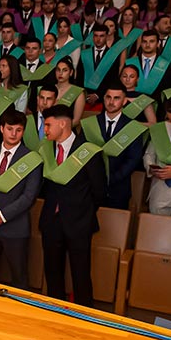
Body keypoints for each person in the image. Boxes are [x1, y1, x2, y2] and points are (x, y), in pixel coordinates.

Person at [38, 103, 106, 304]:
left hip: (79, 223)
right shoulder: (47, 150)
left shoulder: (88, 152)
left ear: (62, 124)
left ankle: (84, 316)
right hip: (51, 221)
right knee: (52, 272)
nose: (45, 130)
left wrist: (79, 212)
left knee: (81, 274)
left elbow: (100, 192)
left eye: (48, 125)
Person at [0, 107, 41, 287]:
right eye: (10, 129)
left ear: (23, 132)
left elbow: (29, 196)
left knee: (19, 276)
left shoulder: (31, 159)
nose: (14, 133)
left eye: (18, 130)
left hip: (15, 227)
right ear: (2, 128)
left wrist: (2, 216)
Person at [80, 83, 148, 210]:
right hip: (90, 187)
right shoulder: (90, 123)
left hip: (118, 189)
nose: (111, 102)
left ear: (124, 101)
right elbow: (81, 151)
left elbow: (133, 159)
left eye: (116, 98)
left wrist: (111, 178)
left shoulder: (132, 127)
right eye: (108, 97)